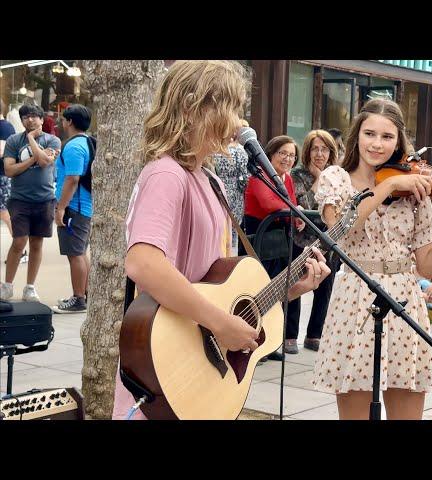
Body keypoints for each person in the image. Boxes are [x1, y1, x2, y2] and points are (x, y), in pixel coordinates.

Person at [112, 60, 330, 420]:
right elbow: (143, 263)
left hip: (196, 370)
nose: (238, 122)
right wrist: (220, 323)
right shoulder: (167, 174)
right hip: (166, 364)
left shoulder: (206, 179)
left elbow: (214, 284)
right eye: (230, 107)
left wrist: (291, 288)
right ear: (191, 107)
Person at [312, 98, 432, 420]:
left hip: (405, 300)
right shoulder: (335, 177)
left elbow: (427, 266)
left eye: (387, 137)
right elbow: (339, 227)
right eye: (370, 134)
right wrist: (389, 185)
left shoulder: (416, 187)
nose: (377, 144)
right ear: (357, 136)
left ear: (399, 142)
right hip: (355, 298)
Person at [244, 135, 305, 356]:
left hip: (279, 236)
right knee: (259, 290)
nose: (288, 159)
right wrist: (294, 213)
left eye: (292, 155)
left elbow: (291, 203)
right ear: (270, 153)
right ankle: (252, 343)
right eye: (283, 153)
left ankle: (270, 343)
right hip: (259, 236)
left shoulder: (286, 178)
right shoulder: (258, 174)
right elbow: (269, 204)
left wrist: (296, 215)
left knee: (277, 289)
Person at [0, 104, 61, 302]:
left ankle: (30, 286)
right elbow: (9, 170)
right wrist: (31, 151)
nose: (30, 120)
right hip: (19, 200)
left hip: (44, 199)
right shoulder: (12, 141)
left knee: (37, 243)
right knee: (19, 242)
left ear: (42, 120)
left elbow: (45, 162)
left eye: (35, 116)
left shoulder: (53, 139)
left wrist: (32, 140)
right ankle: (7, 285)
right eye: (25, 117)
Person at [290, 129, 339, 351]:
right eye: (315, 149)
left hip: (327, 241)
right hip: (301, 240)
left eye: (324, 149)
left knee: (324, 287)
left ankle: (314, 334)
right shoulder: (297, 175)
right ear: (308, 152)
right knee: (295, 284)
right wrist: (319, 179)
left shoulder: (337, 175)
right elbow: (307, 205)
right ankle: (290, 335)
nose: (319, 154)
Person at [51, 105, 94, 314]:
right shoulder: (86, 142)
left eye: (63, 119)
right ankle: (83, 295)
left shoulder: (74, 147)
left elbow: (72, 179)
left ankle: (78, 298)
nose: (61, 122)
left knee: (74, 254)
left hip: (74, 208)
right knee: (80, 253)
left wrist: (61, 208)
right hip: (82, 207)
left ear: (69, 121)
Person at [212, 119, 249, 255]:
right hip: (235, 195)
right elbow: (244, 178)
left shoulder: (215, 150)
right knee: (233, 230)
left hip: (218, 190)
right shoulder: (240, 151)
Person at [1, 99, 17, 238]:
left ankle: (20, 247)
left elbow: (2, 151)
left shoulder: (4, 127)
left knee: (4, 211)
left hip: (2, 176)